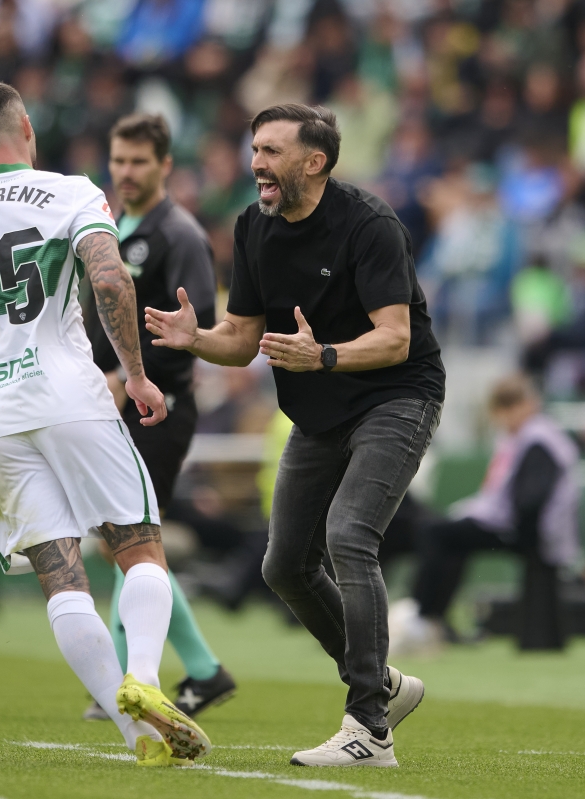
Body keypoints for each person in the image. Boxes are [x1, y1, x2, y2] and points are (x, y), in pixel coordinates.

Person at [0, 81, 210, 767]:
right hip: (70, 396)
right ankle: (148, 682)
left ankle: (139, 737)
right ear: (27, 128)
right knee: (138, 547)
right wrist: (134, 373)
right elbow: (108, 280)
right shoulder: (71, 192)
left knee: (61, 577)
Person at [147, 103, 445, 768]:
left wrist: (325, 357)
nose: (257, 163)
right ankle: (385, 684)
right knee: (284, 565)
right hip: (319, 411)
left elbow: (396, 337)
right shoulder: (253, 225)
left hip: (397, 396)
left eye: (273, 151)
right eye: (255, 149)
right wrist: (196, 338)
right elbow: (244, 338)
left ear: (315, 162)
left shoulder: (370, 224)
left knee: (349, 537)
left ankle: (369, 724)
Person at [84, 112, 234, 721]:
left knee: (132, 539)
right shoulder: (111, 227)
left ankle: (146, 677)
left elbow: (192, 323)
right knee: (125, 539)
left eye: (139, 161)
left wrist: (130, 377)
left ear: (166, 165)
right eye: (118, 160)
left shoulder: (180, 235)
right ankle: (199, 670)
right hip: (113, 407)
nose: (126, 171)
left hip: (158, 408)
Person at [390, 374, 580, 654]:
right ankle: (435, 620)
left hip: (527, 530)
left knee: (434, 532)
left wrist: (512, 526)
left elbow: (530, 500)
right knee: (448, 537)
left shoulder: (537, 439)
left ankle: (422, 615)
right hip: (522, 525)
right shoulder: (532, 437)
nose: (505, 417)